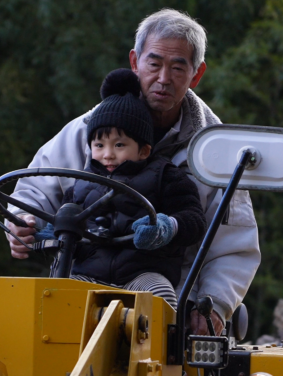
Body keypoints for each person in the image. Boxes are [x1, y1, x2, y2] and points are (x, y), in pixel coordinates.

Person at [5, 9, 260, 336]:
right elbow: (35, 189)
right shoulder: (90, 129)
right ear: (135, 62)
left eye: (178, 67)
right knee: (44, 313)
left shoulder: (218, 152)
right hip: (85, 281)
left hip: (168, 294)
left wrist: (212, 305)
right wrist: (23, 224)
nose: (164, 78)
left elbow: (234, 244)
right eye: (154, 64)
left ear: (196, 75)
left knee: (163, 314)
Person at [39, 68, 205, 309]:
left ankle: (157, 347)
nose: (107, 154)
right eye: (99, 144)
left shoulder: (167, 177)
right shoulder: (81, 183)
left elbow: (194, 220)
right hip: (88, 274)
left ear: (144, 150)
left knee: (161, 297)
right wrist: (51, 230)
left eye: (119, 144)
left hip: (141, 275)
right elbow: (64, 219)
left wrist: (167, 227)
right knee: (53, 293)